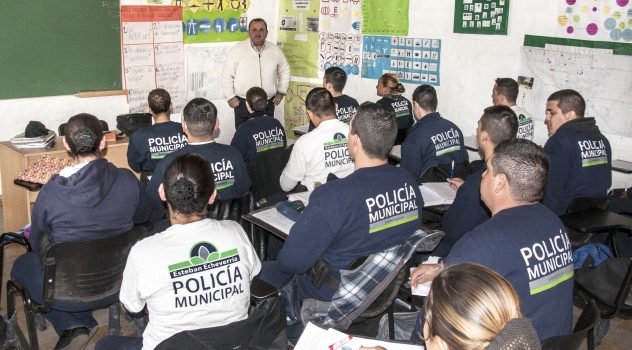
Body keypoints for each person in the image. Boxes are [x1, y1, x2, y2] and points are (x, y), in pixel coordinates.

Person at [10, 113, 151, 350]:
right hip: (119, 283)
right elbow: (144, 218)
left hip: (64, 292)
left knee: (21, 266)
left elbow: (36, 242)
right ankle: (76, 323)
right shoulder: (128, 181)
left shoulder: (51, 192)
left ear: (66, 144)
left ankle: (74, 323)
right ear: (103, 142)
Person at [411, 139, 574, 342]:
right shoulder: (554, 223)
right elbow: (511, 266)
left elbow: (433, 320)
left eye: (487, 169)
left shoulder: (481, 243)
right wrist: (444, 267)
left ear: (500, 182)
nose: (482, 175)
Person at [259, 102, 423, 303]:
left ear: (355, 139)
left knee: (260, 272)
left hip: (334, 297)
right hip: (383, 288)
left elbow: (291, 263)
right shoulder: (408, 183)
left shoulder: (333, 196)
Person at [96, 153, 261, 350]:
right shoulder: (236, 232)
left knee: (105, 344)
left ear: (162, 192)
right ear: (213, 195)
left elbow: (132, 306)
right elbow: (253, 274)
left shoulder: (143, 252)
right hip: (233, 344)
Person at [146, 98, 251, 223]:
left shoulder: (169, 163)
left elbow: (152, 207)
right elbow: (245, 189)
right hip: (231, 224)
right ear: (216, 124)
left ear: (184, 125)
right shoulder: (234, 155)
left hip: (188, 232)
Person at [435, 105, 518, 256]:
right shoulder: (518, 173)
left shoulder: (476, 185)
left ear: (484, 136)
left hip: (466, 251)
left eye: (478, 127)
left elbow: (451, 231)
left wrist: (467, 190)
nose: (477, 132)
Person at [542, 89, 612, 215]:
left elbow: (549, 192)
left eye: (551, 113)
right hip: (594, 217)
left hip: (563, 217)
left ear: (570, 115)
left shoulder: (560, 141)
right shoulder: (603, 140)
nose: (547, 118)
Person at [279, 88, 354, 192]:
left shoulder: (304, 142)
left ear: (309, 113)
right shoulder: (355, 133)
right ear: (336, 107)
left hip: (318, 200)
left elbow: (286, 186)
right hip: (350, 195)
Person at [221, 18, 291, 130]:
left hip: (267, 103)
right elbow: (227, 75)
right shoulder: (238, 50)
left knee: (266, 135)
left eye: (261, 30)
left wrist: (281, 91)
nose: (258, 33)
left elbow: (285, 71)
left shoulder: (275, 50)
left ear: (266, 32)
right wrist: (230, 96)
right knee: (243, 136)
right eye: (254, 30)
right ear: (248, 32)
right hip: (243, 103)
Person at [400, 84, 468, 180]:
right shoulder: (454, 129)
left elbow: (408, 178)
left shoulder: (414, 139)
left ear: (416, 104)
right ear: (436, 103)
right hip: (457, 187)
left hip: (427, 191)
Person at [126, 88, 187, 174]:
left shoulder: (138, 136)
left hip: (152, 183)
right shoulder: (186, 130)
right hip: (183, 180)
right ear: (170, 106)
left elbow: (135, 166)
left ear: (150, 109)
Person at [230, 87, 287, 162]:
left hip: (253, 173)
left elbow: (234, 156)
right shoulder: (276, 124)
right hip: (278, 171)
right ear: (267, 103)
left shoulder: (244, 129)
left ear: (247, 104)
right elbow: (283, 147)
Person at [308, 67, 359, 132]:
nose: (322, 84)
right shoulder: (353, 102)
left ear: (329, 85)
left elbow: (313, 133)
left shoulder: (321, 104)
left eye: (324, 81)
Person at [375, 73, 414, 145]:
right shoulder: (407, 102)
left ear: (385, 89)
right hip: (405, 145)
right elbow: (411, 124)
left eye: (378, 84)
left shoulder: (381, 104)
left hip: (389, 146)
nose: (376, 86)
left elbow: (378, 129)